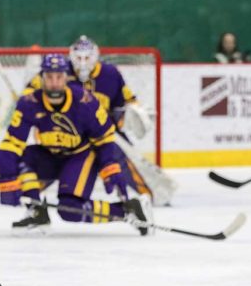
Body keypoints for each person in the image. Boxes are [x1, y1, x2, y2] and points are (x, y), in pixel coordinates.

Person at [0, 53, 152, 235]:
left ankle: (127, 210)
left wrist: (110, 166)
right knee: (19, 160)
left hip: (80, 155)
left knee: (69, 211)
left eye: (59, 77)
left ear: (66, 77)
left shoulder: (85, 101)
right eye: (49, 77)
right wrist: (7, 178)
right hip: (49, 155)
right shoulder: (29, 103)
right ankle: (37, 211)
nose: (54, 82)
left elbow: (105, 138)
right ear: (42, 78)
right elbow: (12, 144)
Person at [22, 36, 175, 205]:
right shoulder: (61, 72)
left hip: (101, 131)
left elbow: (127, 101)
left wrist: (133, 113)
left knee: (122, 154)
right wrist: (26, 98)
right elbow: (31, 93)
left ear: (95, 56)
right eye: (79, 58)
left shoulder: (111, 75)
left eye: (87, 58)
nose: (83, 62)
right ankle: (29, 190)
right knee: (53, 155)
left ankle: (150, 192)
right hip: (67, 130)